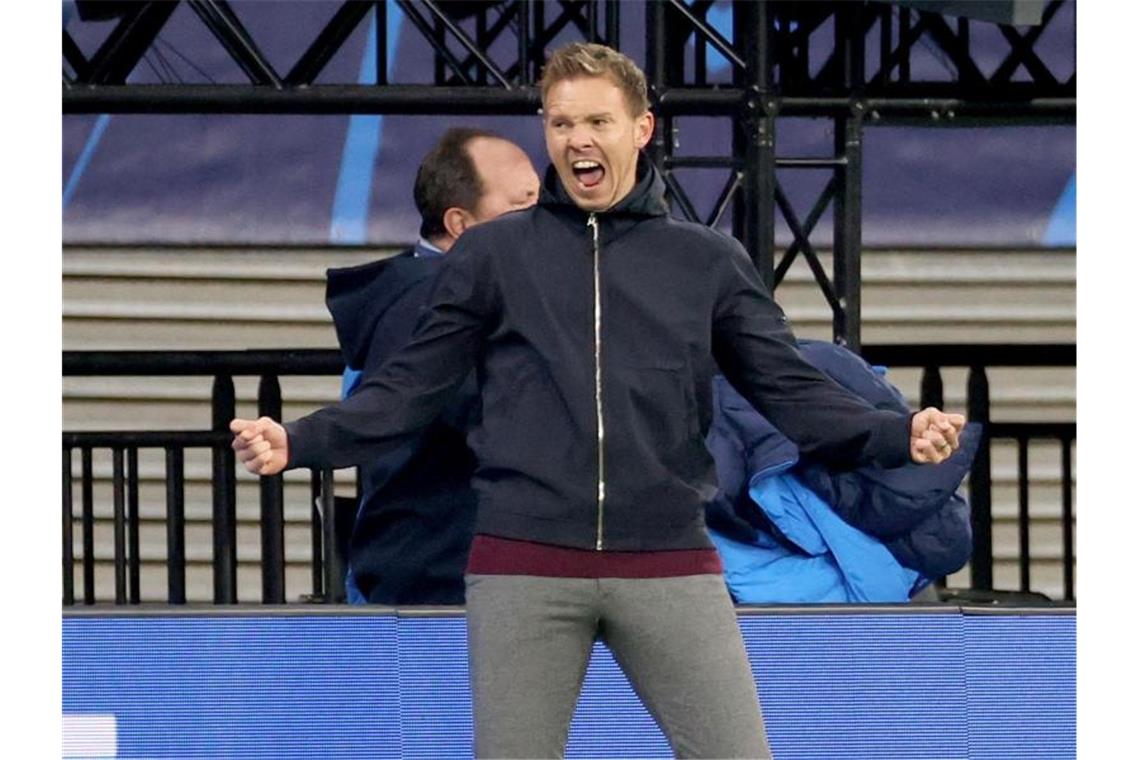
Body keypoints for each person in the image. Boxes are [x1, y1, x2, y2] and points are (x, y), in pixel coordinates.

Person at [232, 43, 964, 759]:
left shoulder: (704, 261)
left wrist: (897, 434)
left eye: (597, 122)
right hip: (524, 564)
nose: (577, 139)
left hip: (669, 559)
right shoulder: (493, 256)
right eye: (560, 123)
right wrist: (298, 441)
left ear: (641, 129)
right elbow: (407, 388)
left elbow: (789, 389)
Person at [325, 128, 539, 605]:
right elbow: (495, 419)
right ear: (461, 223)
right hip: (439, 582)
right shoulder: (425, 303)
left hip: (445, 569)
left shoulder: (433, 292)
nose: (543, 221)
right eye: (523, 205)